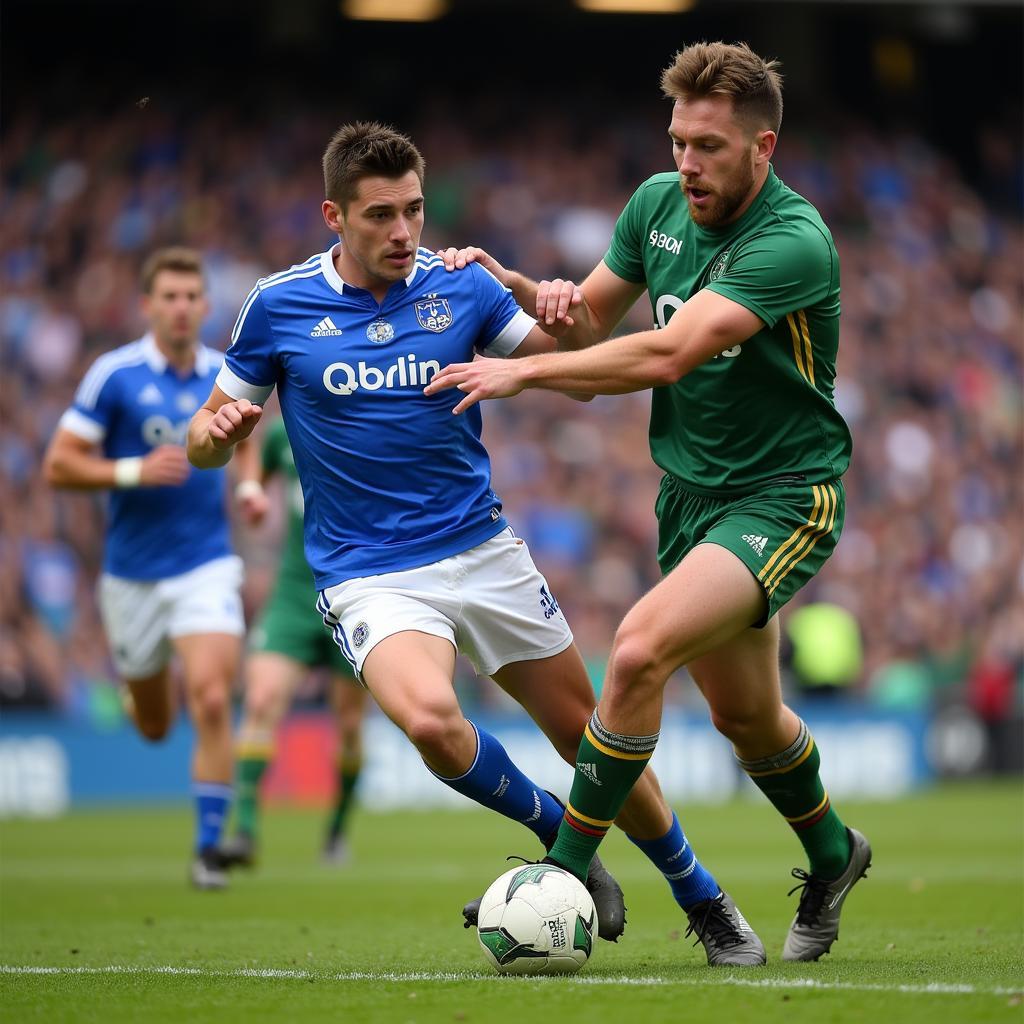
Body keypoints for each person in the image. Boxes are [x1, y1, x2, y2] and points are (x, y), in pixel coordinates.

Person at [187, 120, 765, 965]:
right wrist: (221, 429)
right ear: (332, 215)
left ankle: (704, 899)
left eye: (414, 211)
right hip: (369, 575)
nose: (403, 232)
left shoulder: (458, 288)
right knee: (430, 721)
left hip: (483, 551)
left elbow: (574, 377)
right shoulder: (277, 306)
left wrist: (560, 312)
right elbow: (204, 437)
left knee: (588, 737)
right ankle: (566, 844)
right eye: (380, 215)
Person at [426, 42, 871, 962]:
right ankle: (835, 853)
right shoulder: (655, 206)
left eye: (709, 146)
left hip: (784, 497)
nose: (687, 164)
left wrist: (527, 373)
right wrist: (524, 292)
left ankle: (560, 871)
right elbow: (592, 327)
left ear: (764, 147)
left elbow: (669, 354)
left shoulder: (792, 240)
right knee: (746, 718)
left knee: (635, 652)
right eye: (677, 141)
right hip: (691, 499)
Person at [43, 247, 247, 890]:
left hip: (206, 564)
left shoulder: (227, 372)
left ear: (206, 306)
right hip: (131, 575)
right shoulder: (115, 375)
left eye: (192, 296)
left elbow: (250, 444)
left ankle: (209, 850)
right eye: (170, 297)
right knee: (157, 727)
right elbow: (58, 464)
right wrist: (132, 470)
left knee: (212, 697)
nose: (182, 307)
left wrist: (250, 486)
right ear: (147, 306)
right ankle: (140, 695)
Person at [221, 415, 369, 867]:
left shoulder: (375, 418)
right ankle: (244, 831)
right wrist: (249, 492)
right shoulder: (284, 434)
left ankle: (337, 828)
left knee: (347, 724)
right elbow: (250, 462)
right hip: (293, 589)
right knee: (261, 698)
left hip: (361, 591)